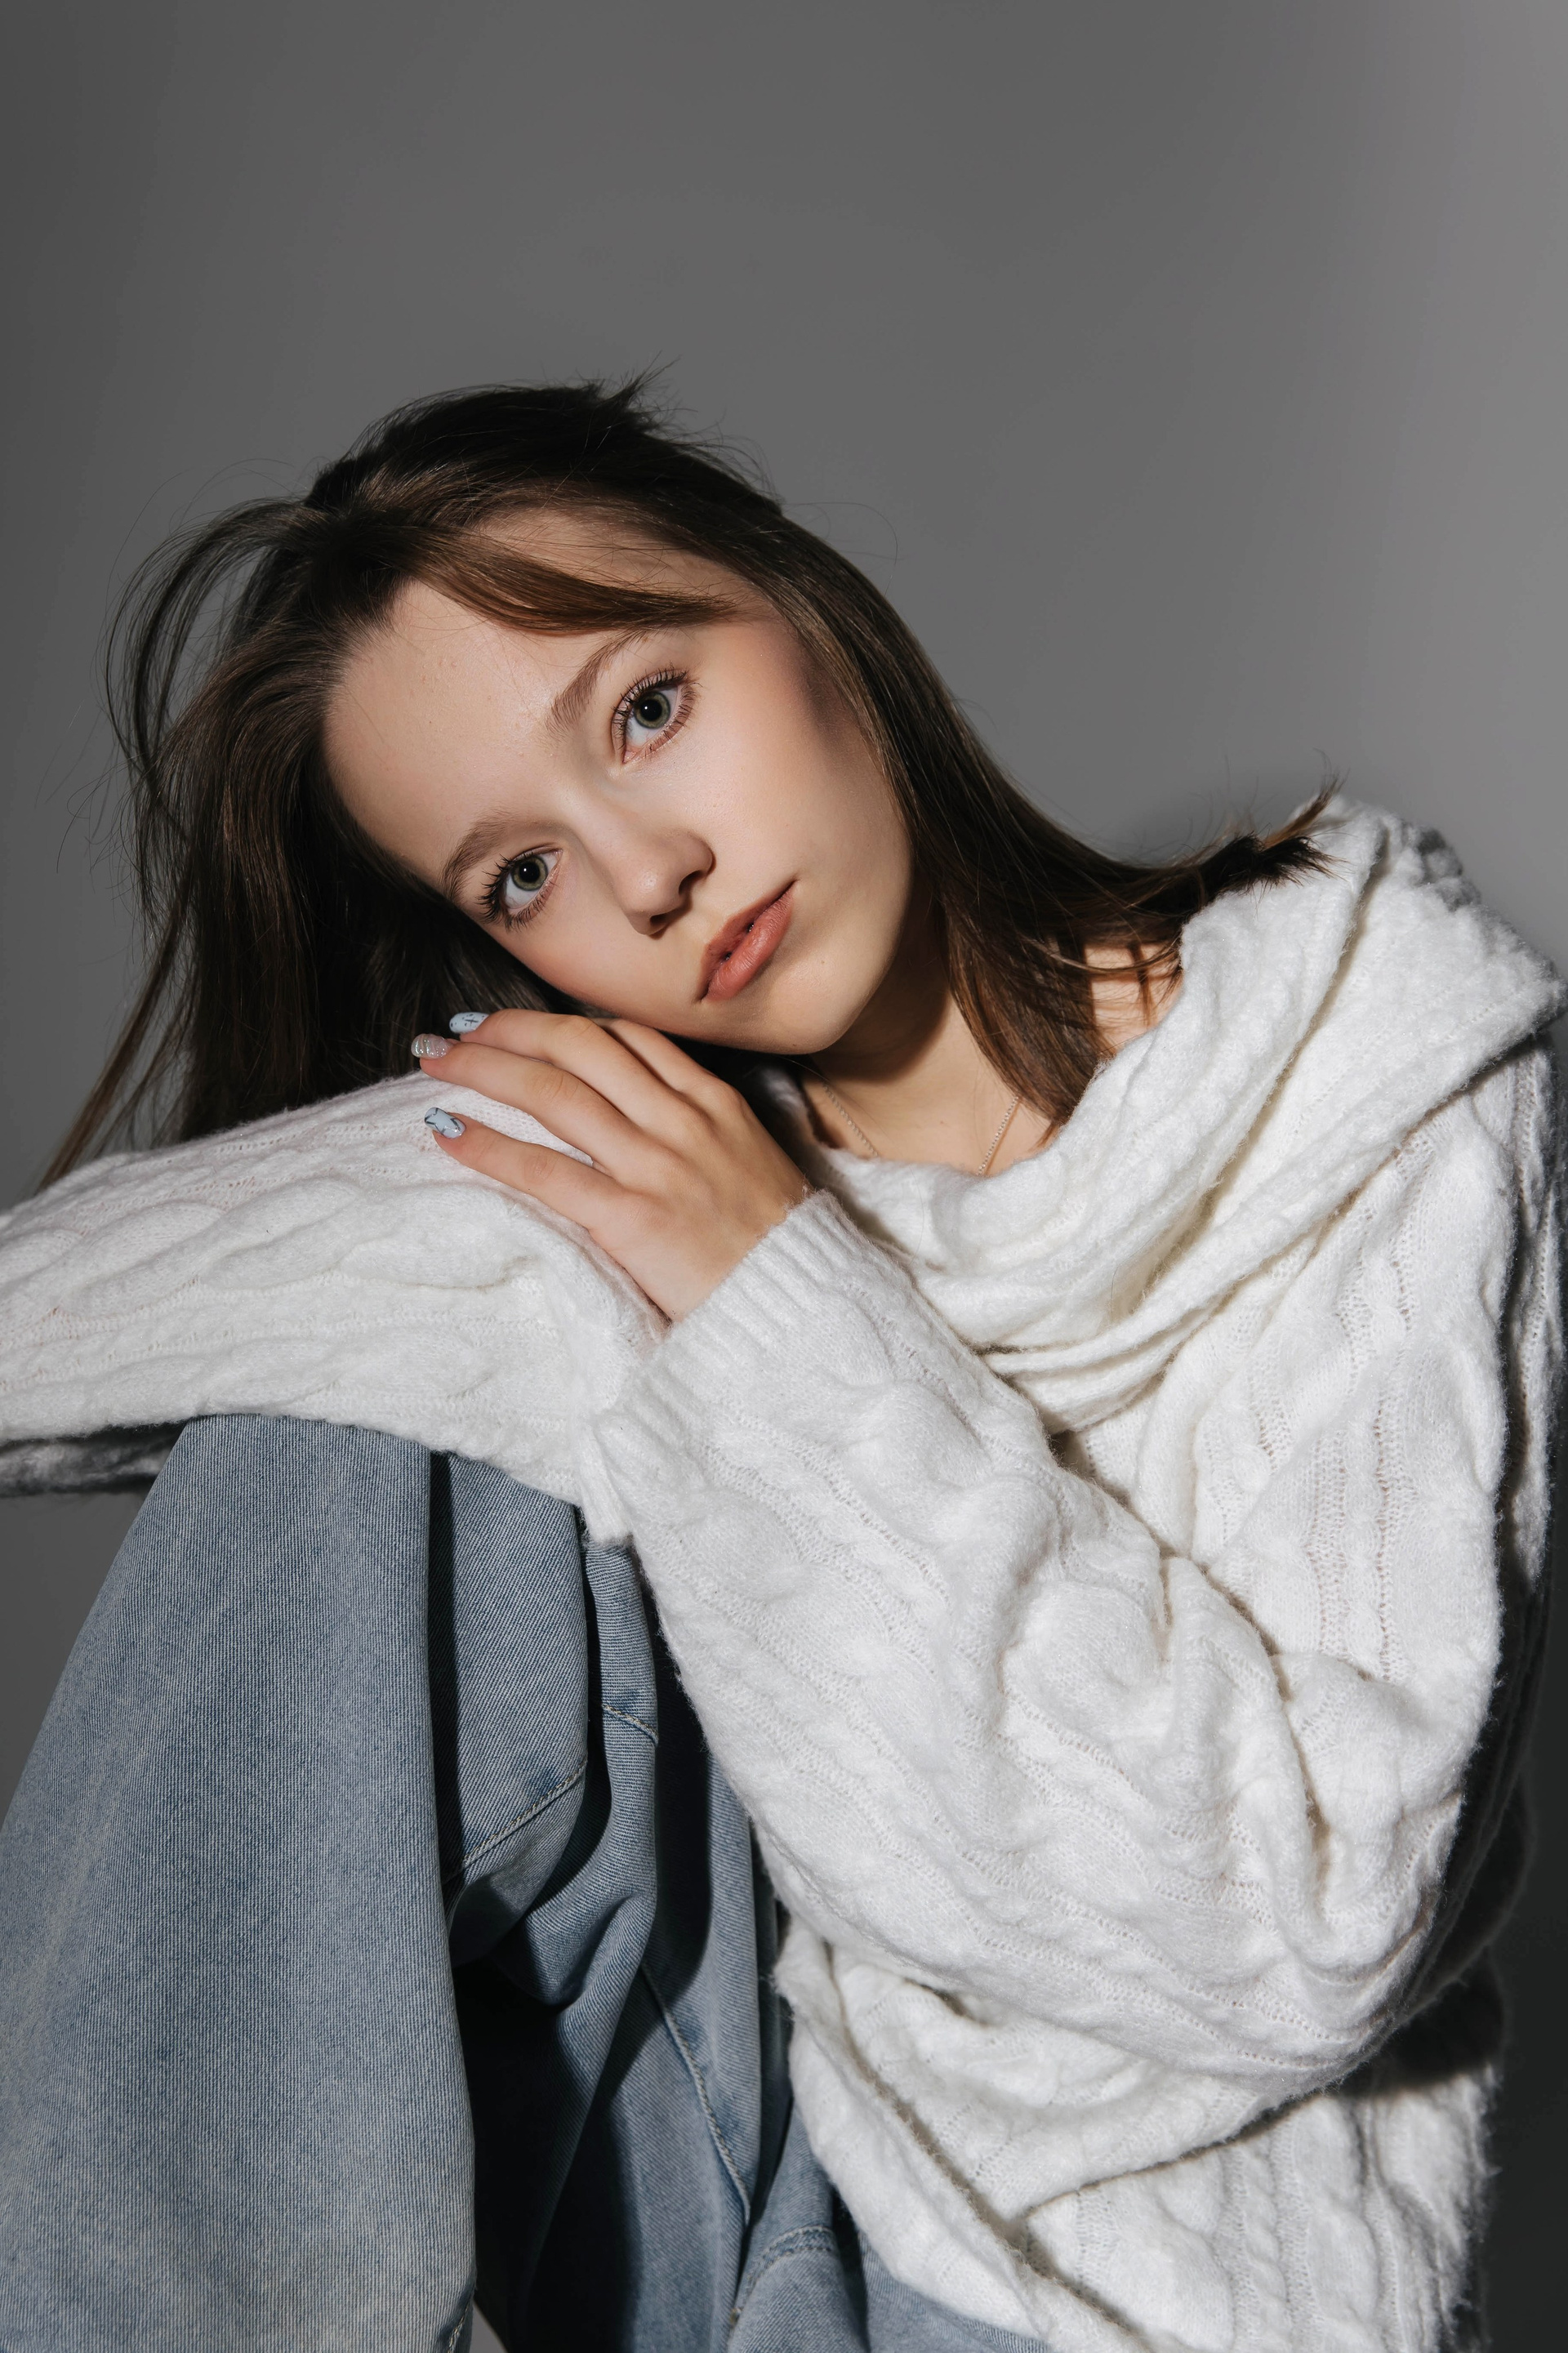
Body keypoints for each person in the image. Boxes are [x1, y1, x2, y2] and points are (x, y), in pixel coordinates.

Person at [0, 380, 1561, 2352]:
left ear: (806, 604)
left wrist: (777, 1293)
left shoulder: (1369, 1061)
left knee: (499, 1263)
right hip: (745, 2166)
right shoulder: (648, 1162)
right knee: (388, 1342)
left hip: (1120, 2304)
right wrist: (719, 1251)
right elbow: (156, 1275)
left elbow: (1308, 1929)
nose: (646, 871)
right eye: (521, 876)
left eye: (647, 708)